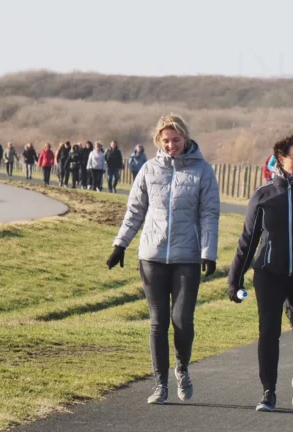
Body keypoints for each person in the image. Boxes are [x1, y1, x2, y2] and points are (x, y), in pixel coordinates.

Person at [107, 114, 220, 405]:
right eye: (166, 141)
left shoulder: (202, 171)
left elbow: (209, 214)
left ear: (186, 138)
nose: (172, 145)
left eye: (176, 140)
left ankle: (182, 368)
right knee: (158, 323)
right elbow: (135, 211)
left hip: (187, 257)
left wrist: (208, 252)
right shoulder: (148, 170)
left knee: (182, 320)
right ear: (159, 141)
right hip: (152, 256)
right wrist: (120, 244)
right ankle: (160, 384)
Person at [227, 134, 293, 413]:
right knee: (269, 332)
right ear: (281, 159)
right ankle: (268, 392)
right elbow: (248, 240)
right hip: (269, 273)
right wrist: (234, 279)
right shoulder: (264, 194)